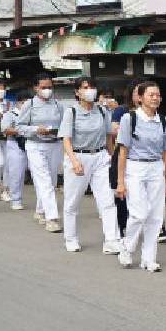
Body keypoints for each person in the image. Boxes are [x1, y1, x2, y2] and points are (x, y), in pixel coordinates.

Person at [114, 79, 166, 271]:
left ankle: (149, 258)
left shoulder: (163, 121)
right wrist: (120, 182)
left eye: (158, 95)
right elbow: (122, 151)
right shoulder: (129, 119)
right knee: (139, 213)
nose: (155, 98)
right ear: (140, 98)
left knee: (156, 216)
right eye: (151, 95)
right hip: (135, 168)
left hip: (156, 168)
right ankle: (127, 247)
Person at [59, 76, 121, 255]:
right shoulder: (71, 112)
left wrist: (112, 157)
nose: (90, 90)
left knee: (107, 200)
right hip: (79, 156)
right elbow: (66, 139)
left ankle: (111, 240)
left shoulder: (102, 111)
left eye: (92, 87)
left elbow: (109, 136)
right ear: (77, 92)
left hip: (101, 156)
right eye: (85, 87)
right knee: (72, 202)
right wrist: (74, 161)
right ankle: (70, 238)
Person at [13, 73, 66, 232]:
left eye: (50, 87)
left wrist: (58, 132)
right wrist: (37, 129)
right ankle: (52, 218)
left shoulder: (58, 105)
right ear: (36, 88)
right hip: (36, 146)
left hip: (54, 145)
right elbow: (19, 127)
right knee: (44, 181)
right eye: (43, 87)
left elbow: (64, 125)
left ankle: (40, 210)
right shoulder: (29, 105)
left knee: (52, 180)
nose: (47, 90)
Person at [0, 96, 29, 211]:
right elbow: (5, 130)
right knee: (17, 173)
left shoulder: (32, 114)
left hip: (32, 143)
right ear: (19, 103)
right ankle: (16, 199)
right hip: (15, 144)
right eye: (24, 103)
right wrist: (23, 130)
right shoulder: (10, 114)